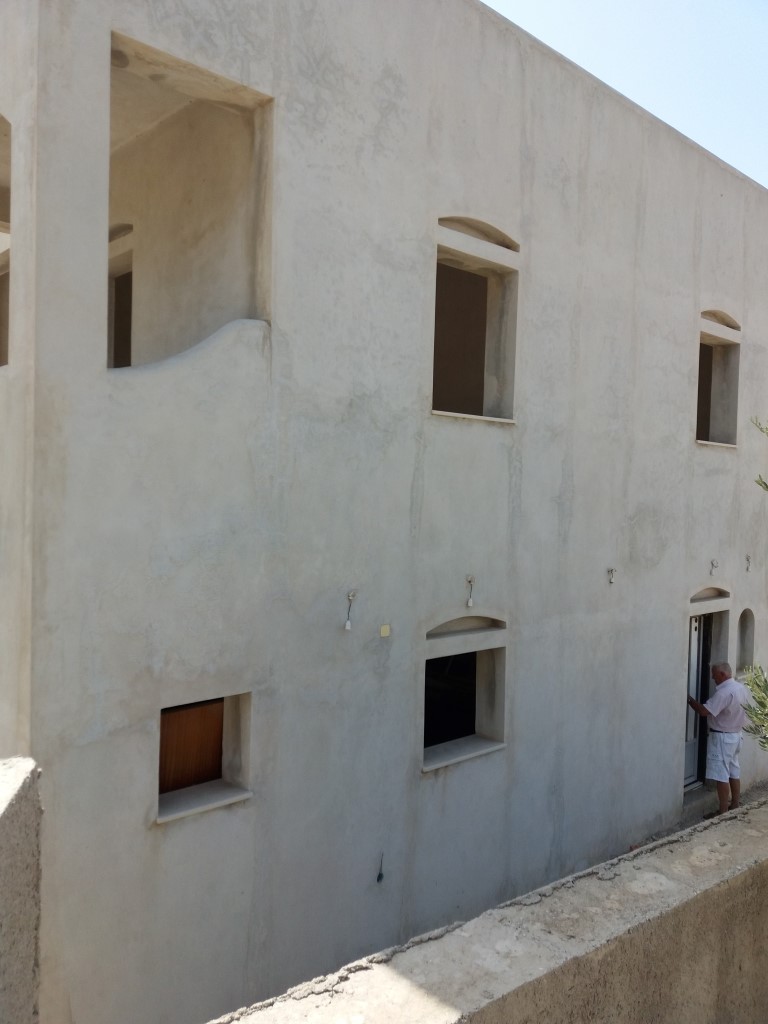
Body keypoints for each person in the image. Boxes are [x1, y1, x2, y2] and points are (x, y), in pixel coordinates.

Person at [687, 662, 750, 817]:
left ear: (723, 674)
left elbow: (704, 711)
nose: (712, 678)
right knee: (734, 771)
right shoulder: (741, 688)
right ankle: (735, 805)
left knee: (721, 775)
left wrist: (689, 699)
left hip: (722, 738)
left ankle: (723, 813)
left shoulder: (723, 693)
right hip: (736, 736)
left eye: (714, 675)